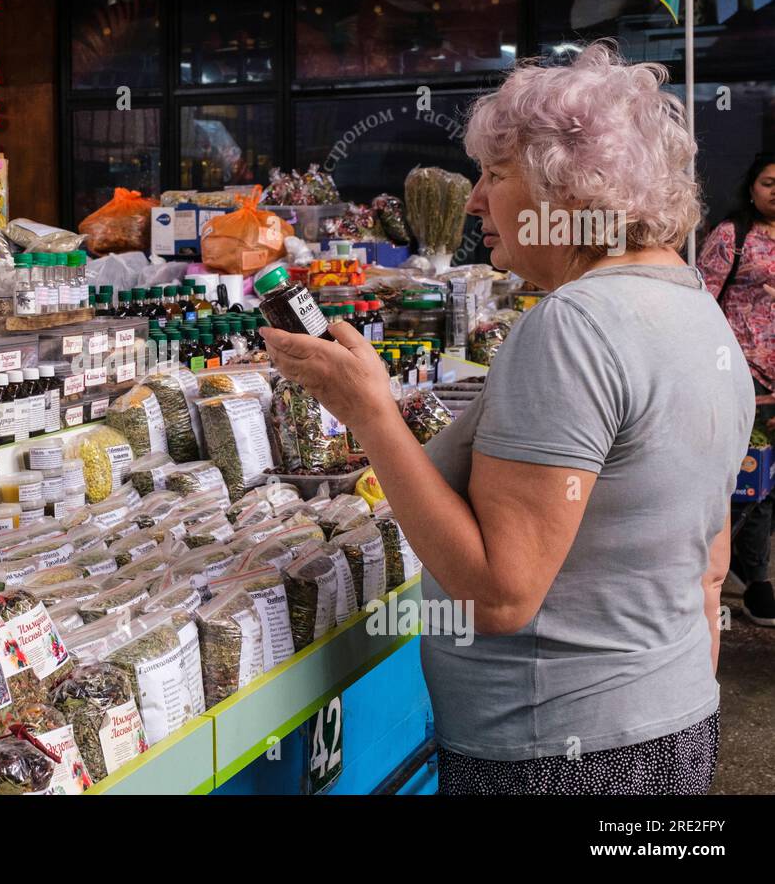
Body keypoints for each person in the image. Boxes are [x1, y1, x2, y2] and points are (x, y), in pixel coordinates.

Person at [260, 43, 753, 794]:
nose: (474, 200)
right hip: (667, 726)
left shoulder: (575, 325)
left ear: (570, 190)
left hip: (557, 756)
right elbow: (708, 565)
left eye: (495, 174)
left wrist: (368, 413)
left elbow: (497, 596)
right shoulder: (695, 309)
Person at [698, 152, 775, 626]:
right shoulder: (732, 236)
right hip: (743, 376)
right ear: (751, 188)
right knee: (750, 482)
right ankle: (754, 582)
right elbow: (701, 299)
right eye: (769, 182)